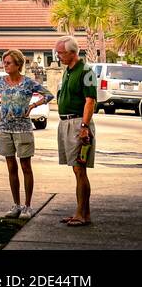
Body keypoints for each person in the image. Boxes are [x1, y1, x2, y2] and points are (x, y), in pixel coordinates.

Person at [0, 49, 53, 218]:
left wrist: (32, 106)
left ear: (18, 65)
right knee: (10, 167)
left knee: (25, 166)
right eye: (4, 62)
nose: (4, 65)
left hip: (23, 128)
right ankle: (16, 205)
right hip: (4, 128)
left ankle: (28, 206)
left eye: (8, 63)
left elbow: (49, 95)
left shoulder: (28, 83)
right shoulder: (1, 81)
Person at [53, 36, 97, 227]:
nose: (58, 56)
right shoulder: (68, 71)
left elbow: (90, 101)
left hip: (78, 124)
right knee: (77, 169)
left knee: (80, 169)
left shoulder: (86, 71)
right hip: (66, 123)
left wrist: (84, 127)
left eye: (61, 53)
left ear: (73, 52)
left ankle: (81, 214)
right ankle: (83, 213)